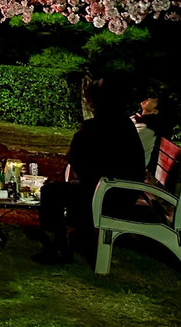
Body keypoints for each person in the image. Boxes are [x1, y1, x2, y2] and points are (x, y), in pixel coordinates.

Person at [34, 78, 145, 265]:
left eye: (91, 100)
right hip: (122, 191)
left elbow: (76, 159)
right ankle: (63, 241)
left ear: (98, 102)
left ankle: (59, 248)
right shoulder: (122, 123)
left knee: (51, 192)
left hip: (111, 195)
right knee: (62, 189)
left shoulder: (98, 126)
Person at [131, 91, 175, 169]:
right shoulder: (138, 120)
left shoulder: (147, 130)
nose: (149, 99)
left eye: (154, 101)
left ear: (155, 111)